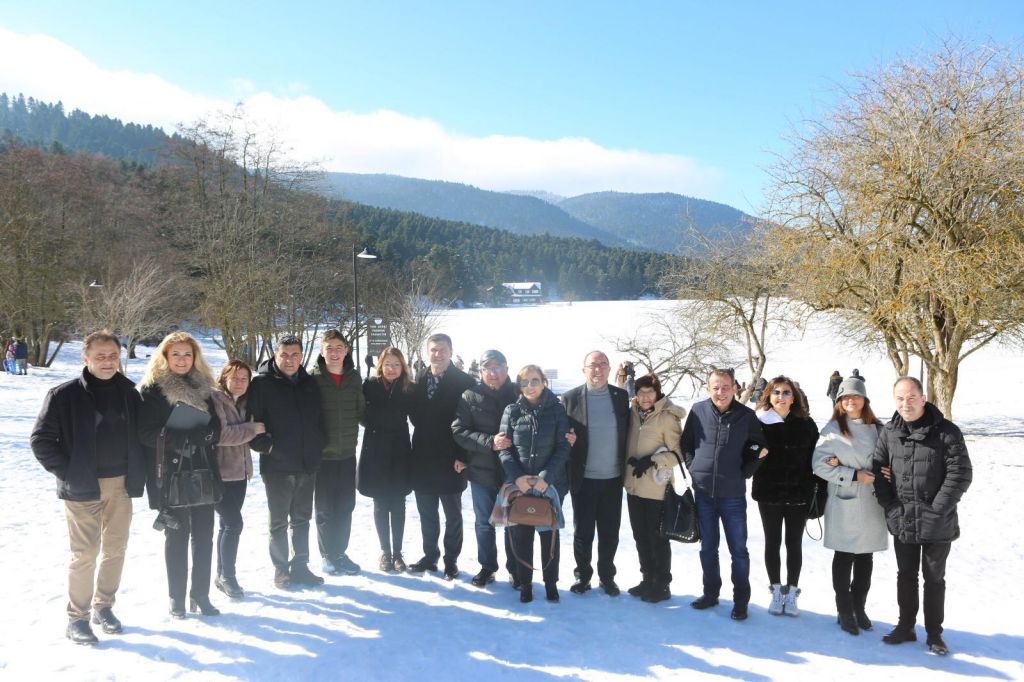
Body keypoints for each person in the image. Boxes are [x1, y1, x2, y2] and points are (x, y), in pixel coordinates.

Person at [31, 330, 146, 645]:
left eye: (112, 356)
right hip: (83, 488)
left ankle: (103, 607)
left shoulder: (130, 393)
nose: (107, 362)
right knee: (85, 554)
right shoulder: (64, 395)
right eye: (100, 356)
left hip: (121, 486)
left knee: (116, 549)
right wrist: (69, 473)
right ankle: (77, 619)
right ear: (86, 358)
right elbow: (41, 441)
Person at [873, 377, 972, 656]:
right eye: (900, 399)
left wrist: (937, 509)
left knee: (934, 579)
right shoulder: (890, 431)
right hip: (902, 517)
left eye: (911, 397)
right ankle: (906, 626)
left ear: (923, 397)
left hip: (937, 523)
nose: (906, 404)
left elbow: (960, 473)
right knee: (905, 575)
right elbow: (878, 468)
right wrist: (891, 507)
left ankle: (934, 634)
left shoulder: (947, 432)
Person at [137, 331, 222, 618]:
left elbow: (217, 428)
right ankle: (176, 598)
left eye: (188, 354)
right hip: (170, 473)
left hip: (203, 471)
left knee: (204, 537)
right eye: (176, 354)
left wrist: (207, 435)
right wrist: (181, 436)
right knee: (176, 537)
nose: (182, 359)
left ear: (195, 357)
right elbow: (146, 433)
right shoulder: (152, 390)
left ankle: (201, 595)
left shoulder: (205, 387)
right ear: (165, 357)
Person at [681, 368, 768, 620]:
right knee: (708, 547)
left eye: (725, 387)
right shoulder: (698, 411)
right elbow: (686, 444)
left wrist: (746, 471)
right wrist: (693, 467)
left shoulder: (746, 416)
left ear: (734, 388)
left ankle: (741, 600)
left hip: (732, 496)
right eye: (715, 387)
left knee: (738, 550)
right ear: (708, 389)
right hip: (704, 493)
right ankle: (711, 593)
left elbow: (759, 448)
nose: (721, 392)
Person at [246, 337, 327, 589]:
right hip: (278, 466)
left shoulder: (310, 383)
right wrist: (265, 446)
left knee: (302, 519)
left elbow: (320, 419)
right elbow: (252, 421)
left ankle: (301, 566)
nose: (289, 359)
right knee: (279, 522)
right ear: (275, 355)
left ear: (302, 356)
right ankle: (281, 568)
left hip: (307, 463)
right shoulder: (261, 384)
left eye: (295, 354)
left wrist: (318, 445)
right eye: (284, 354)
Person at [811, 376, 886, 636]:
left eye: (855, 396)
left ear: (865, 399)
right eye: (845, 397)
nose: (850, 400)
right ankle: (844, 610)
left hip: (873, 503)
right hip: (845, 501)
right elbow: (818, 465)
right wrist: (852, 475)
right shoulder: (831, 430)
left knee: (866, 556)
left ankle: (859, 607)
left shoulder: (879, 429)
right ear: (839, 402)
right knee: (844, 555)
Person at [499, 365, 571, 603]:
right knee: (522, 534)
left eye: (534, 380)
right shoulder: (512, 410)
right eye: (524, 382)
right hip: (519, 484)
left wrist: (545, 477)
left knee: (549, 535)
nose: (530, 386)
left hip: (548, 485)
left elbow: (563, 446)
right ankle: (525, 584)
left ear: (543, 382)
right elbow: (504, 448)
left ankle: (551, 584)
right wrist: (517, 477)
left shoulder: (557, 410)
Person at [561, 350, 630, 596]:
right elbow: (560, 435)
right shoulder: (570, 399)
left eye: (603, 364)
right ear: (584, 369)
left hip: (613, 479)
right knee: (583, 532)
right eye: (593, 365)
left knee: (610, 533)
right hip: (584, 479)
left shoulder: (621, 397)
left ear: (610, 369)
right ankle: (582, 576)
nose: (598, 369)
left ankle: (607, 577)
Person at [407, 333, 475, 579]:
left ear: (451, 351)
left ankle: (451, 560)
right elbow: (414, 414)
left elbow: (470, 422)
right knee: (427, 512)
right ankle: (430, 556)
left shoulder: (464, 382)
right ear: (428, 352)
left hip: (451, 457)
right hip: (423, 456)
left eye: (442, 350)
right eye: (433, 350)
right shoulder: (419, 379)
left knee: (452, 514)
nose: (437, 354)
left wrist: (463, 455)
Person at [751, 376, 820, 617]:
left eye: (786, 392)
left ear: (794, 397)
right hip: (769, 491)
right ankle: (776, 590)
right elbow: (745, 451)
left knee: (794, 543)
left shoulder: (807, 424)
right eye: (776, 392)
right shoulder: (758, 421)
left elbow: (816, 458)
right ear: (769, 396)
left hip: (798, 492)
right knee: (772, 541)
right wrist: (755, 453)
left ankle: (791, 592)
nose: (781, 396)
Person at [451, 349, 519, 588]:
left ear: (507, 369)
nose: (493, 372)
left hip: (514, 472)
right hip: (482, 471)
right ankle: (488, 567)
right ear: (480, 371)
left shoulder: (520, 392)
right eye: (487, 368)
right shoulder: (470, 396)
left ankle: (516, 569)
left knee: (514, 522)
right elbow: (459, 431)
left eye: (497, 366)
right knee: (484, 523)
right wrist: (490, 442)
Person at [623, 373, 686, 603]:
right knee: (640, 536)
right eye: (640, 392)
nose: (645, 397)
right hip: (633, 487)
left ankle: (662, 584)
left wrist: (652, 460)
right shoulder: (633, 414)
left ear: (657, 392)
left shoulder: (667, 418)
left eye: (649, 392)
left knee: (657, 537)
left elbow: (679, 454)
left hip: (657, 489)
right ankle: (647, 578)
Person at [310, 331, 366, 576]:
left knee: (345, 506)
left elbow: (363, 412)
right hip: (322, 456)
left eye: (339, 347)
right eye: (329, 347)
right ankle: (326, 555)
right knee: (324, 508)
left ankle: (340, 553)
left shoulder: (354, 378)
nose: (334, 352)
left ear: (346, 350)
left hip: (347, 453)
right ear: (322, 351)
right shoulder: (312, 378)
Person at [210, 360, 265, 599]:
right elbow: (221, 435)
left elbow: (240, 434)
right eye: (235, 378)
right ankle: (228, 577)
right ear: (224, 377)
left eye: (245, 379)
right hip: (219, 474)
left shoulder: (243, 402)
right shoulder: (215, 399)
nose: (240, 383)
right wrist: (252, 429)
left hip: (240, 474)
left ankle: (221, 574)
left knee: (226, 525)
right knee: (234, 524)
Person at [358, 347, 414, 572]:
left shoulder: (408, 388)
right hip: (375, 448)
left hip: (400, 448)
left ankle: (398, 553)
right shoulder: (369, 386)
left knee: (398, 501)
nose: (392, 369)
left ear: (403, 367)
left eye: (396, 365)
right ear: (380, 365)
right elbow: (360, 413)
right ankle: (385, 552)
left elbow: (419, 417)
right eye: (388, 364)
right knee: (380, 501)